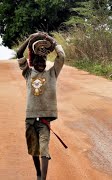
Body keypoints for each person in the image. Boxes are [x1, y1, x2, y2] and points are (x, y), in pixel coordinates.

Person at [16, 32, 65, 180]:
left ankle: (43, 178)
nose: (42, 65)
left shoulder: (52, 74)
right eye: (38, 62)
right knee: (34, 151)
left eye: (44, 62)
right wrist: (29, 39)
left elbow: (61, 57)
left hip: (44, 120)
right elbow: (19, 53)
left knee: (44, 149)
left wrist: (52, 41)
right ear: (33, 63)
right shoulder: (28, 74)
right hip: (30, 118)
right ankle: (38, 173)